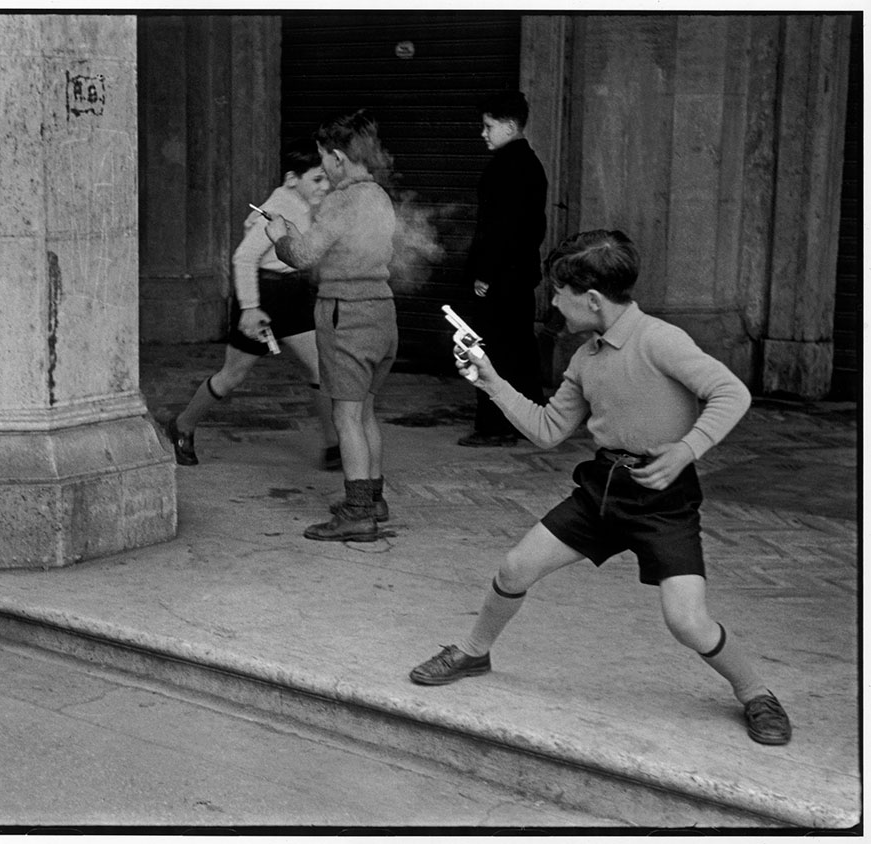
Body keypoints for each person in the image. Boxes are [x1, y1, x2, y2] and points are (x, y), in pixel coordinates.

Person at [409, 230, 792, 746]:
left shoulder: (661, 339)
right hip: (602, 489)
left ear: (590, 299)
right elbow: (547, 430)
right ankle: (475, 652)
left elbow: (731, 392)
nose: (554, 305)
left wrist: (685, 450)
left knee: (687, 622)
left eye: (558, 295)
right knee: (514, 567)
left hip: (664, 501)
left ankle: (757, 693)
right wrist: (490, 381)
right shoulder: (584, 359)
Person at [165, 138, 338, 469]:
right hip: (263, 296)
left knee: (320, 368)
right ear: (292, 179)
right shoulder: (278, 208)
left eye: (327, 177)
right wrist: (250, 308)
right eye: (317, 179)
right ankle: (182, 426)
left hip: (293, 294)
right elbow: (243, 258)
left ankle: (335, 446)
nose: (325, 185)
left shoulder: (306, 205)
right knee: (233, 376)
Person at [268, 109, 397, 542]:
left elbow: (303, 256)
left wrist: (280, 236)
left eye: (324, 157)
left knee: (345, 416)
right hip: (382, 311)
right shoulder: (378, 195)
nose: (322, 166)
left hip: (348, 314)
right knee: (366, 411)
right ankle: (373, 498)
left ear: (338, 157)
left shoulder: (342, 199)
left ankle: (358, 513)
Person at [460, 90, 548, 447]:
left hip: (500, 277)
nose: (483, 133)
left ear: (510, 126)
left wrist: (485, 273)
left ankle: (495, 426)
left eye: (488, 126)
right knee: (520, 348)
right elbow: (531, 228)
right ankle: (527, 420)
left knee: (493, 350)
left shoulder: (506, 167)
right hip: (519, 274)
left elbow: (499, 227)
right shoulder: (530, 163)